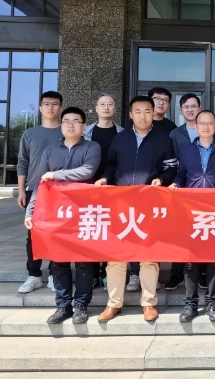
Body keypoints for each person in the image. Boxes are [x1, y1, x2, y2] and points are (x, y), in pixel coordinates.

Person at [95, 96, 178, 323]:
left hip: (148, 204)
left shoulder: (163, 139)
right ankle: (113, 304)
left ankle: (149, 303)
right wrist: (105, 178)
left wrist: (162, 179)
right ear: (131, 115)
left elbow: (171, 167)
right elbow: (111, 165)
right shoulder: (120, 138)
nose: (143, 116)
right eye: (138, 111)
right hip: (121, 204)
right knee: (116, 256)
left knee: (148, 256)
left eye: (147, 111)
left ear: (153, 113)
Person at [25, 107, 101, 324]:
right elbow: (40, 182)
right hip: (56, 214)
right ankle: (62, 306)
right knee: (59, 260)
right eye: (66, 121)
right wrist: (31, 211)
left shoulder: (92, 147)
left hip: (83, 213)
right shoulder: (50, 151)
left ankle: (81, 305)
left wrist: (55, 174)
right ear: (61, 126)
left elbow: (87, 171)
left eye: (76, 121)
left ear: (84, 126)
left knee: (84, 262)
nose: (71, 125)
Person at [170, 110, 215, 323]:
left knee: (213, 260)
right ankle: (190, 303)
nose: (206, 127)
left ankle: (212, 302)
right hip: (192, 211)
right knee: (191, 260)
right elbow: (181, 175)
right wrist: (175, 184)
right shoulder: (187, 149)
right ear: (196, 127)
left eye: (210, 124)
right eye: (202, 123)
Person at [167, 93, 215, 292]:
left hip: (210, 196)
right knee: (184, 237)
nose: (190, 109)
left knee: (206, 234)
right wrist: (176, 183)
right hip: (186, 194)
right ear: (181, 110)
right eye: (186, 107)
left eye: (193, 106)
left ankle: (204, 275)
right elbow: (176, 165)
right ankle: (177, 275)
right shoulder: (175, 134)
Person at [16, 91, 63, 294]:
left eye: (55, 104)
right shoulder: (30, 133)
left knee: (57, 234)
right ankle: (34, 275)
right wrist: (21, 190)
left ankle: (54, 274)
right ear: (40, 108)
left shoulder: (66, 131)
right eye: (46, 104)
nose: (50, 107)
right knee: (33, 234)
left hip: (60, 191)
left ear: (60, 108)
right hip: (34, 190)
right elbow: (23, 162)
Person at [83, 92, 124, 290]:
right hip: (90, 188)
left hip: (115, 189)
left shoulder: (123, 133)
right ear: (96, 109)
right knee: (92, 230)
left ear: (115, 109)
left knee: (112, 231)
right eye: (103, 104)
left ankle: (108, 274)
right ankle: (92, 273)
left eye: (110, 104)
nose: (106, 107)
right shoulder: (85, 133)